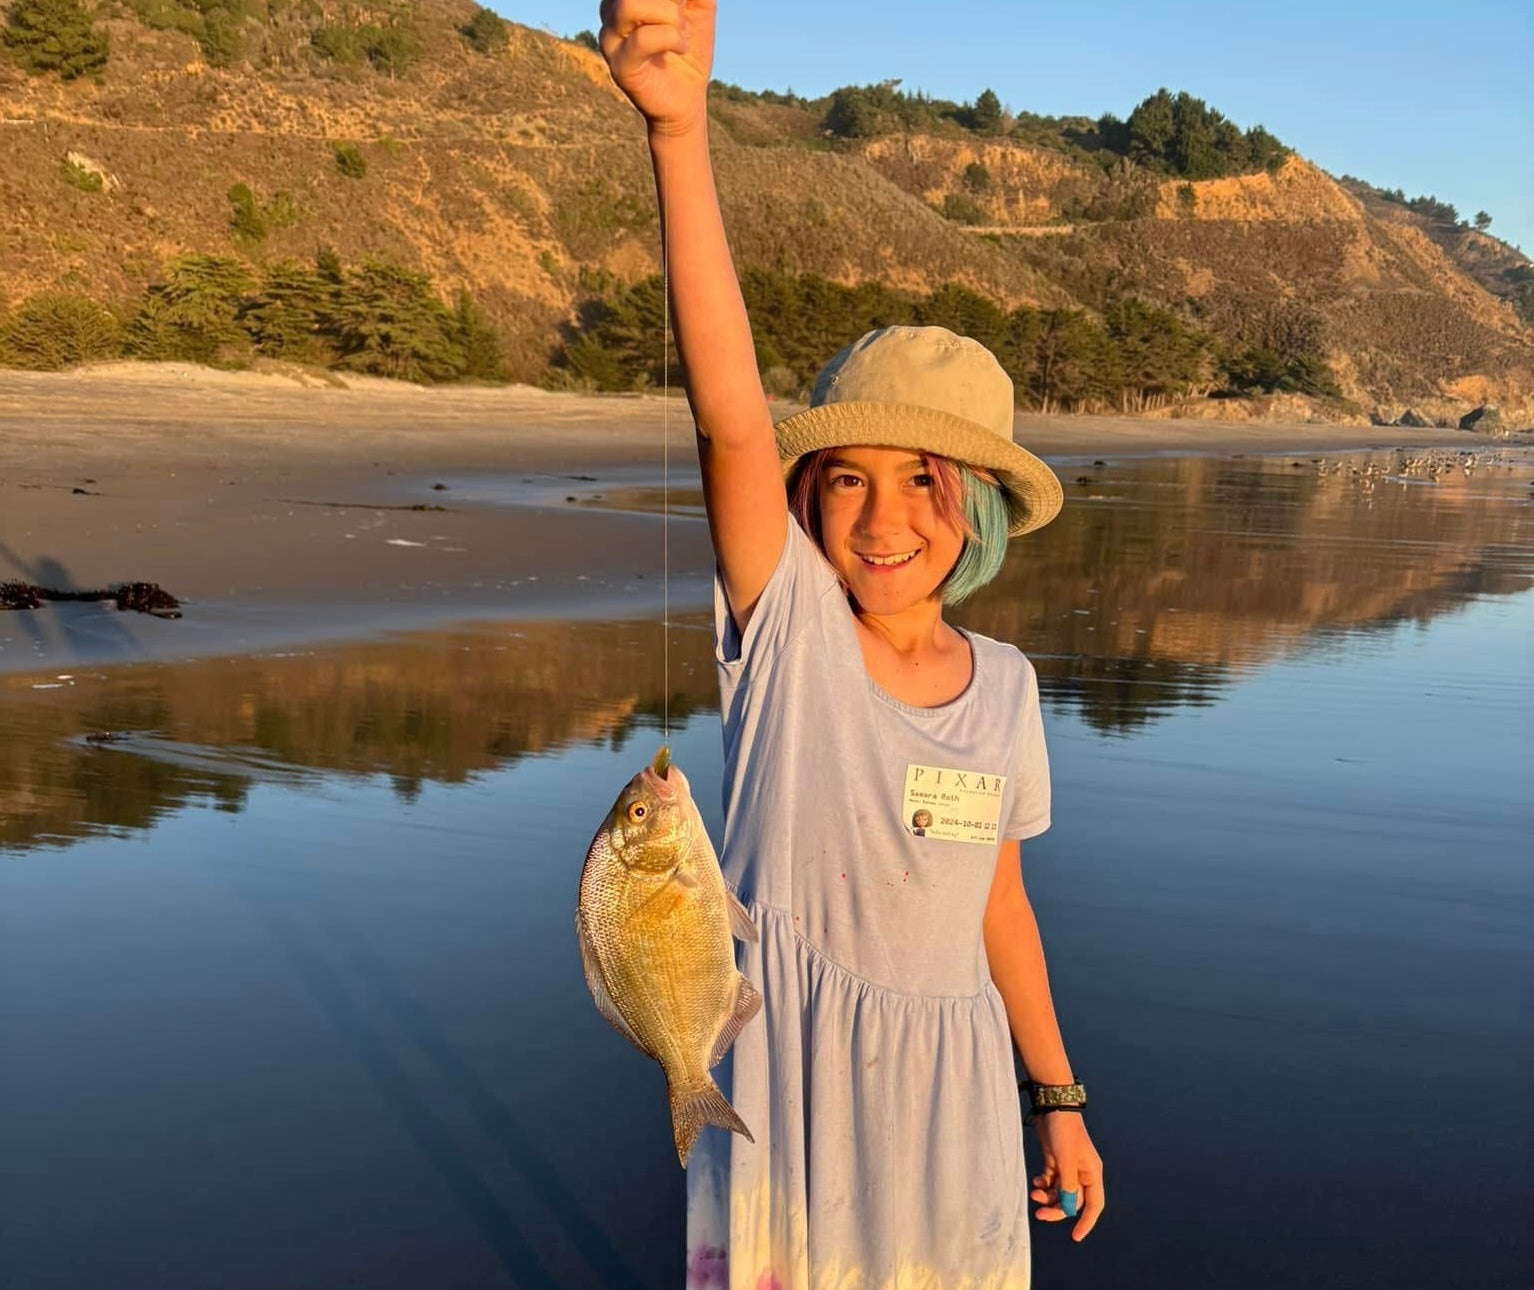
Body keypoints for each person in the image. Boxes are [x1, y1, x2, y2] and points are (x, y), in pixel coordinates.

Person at [597, 3, 1105, 1284]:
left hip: (955, 1105)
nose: (882, 520)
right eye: (845, 480)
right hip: (789, 1082)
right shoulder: (790, 640)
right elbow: (728, 418)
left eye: (925, 482)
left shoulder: (1008, 690)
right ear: (805, 495)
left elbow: (1001, 911)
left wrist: (1059, 1099)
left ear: (979, 511)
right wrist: (678, 132)